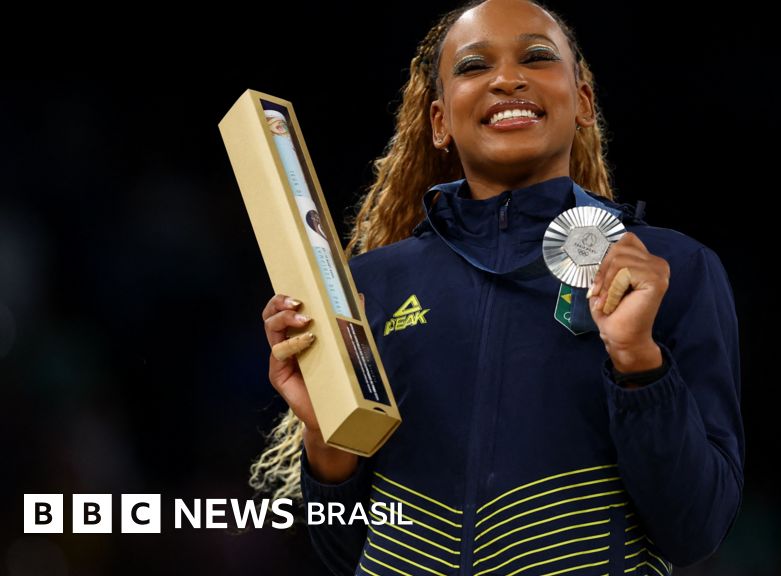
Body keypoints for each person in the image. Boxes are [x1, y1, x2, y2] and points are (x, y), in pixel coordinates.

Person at [253, 0, 744, 574]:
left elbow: (696, 529)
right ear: (440, 122)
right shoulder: (371, 287)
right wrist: (326, 433)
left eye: (536, 57)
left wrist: (637, 360)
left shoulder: (669, 269)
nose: (507, 79)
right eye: (473, 66)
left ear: (583, 102)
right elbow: (346, 556)